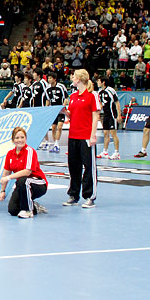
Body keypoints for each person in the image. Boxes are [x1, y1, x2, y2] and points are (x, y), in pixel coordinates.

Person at [63, 69, 101, 209]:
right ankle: (74, 194)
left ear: (79, 79)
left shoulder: (92, 96)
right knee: (74, 167)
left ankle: (90, 196)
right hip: (73, 136)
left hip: (85, 137)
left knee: (89, 167)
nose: (72, 78)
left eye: (74, 76)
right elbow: (72, 116)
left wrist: (92, 135)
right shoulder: (72, 96)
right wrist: (64, 112)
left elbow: (95, 116)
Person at [0, 127, 49, 219]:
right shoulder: (10, 154)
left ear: (26, 138)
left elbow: (27, 172)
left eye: (22, 137)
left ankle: (28, 210)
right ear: (13, 140)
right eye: (17, 138)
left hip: (38, 183)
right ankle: (35, 207)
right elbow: (5, 173)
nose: (20, 140)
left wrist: (9, 178)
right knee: (13, 210)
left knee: (23, 180)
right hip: (23, 185)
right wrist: (3, 191)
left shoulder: (30, 151)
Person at [96, 76, 122, 160]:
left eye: (99, 81)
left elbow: (117, 102)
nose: (97, 82)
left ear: (103, 82)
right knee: (105, 133)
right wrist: (98, 114)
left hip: (112, 115)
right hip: (106, 115)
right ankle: (105, 151)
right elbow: (101, 104)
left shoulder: (110, 90)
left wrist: (119, 115)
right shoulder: (99, 91)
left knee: (113, 133)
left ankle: (117, 153)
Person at [44, 72, 68, 153]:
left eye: (50, 78)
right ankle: (55, 144)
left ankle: (57, 143)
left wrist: (63, 107)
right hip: (53, 110)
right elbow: (48, 100)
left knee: (60, 126)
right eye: (48, 78)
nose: (49, 80)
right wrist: (46, 109)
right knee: (53, 127)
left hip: (60, 110)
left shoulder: (61, 87)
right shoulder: (47, 89)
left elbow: (66, 98)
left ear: (54, 79)